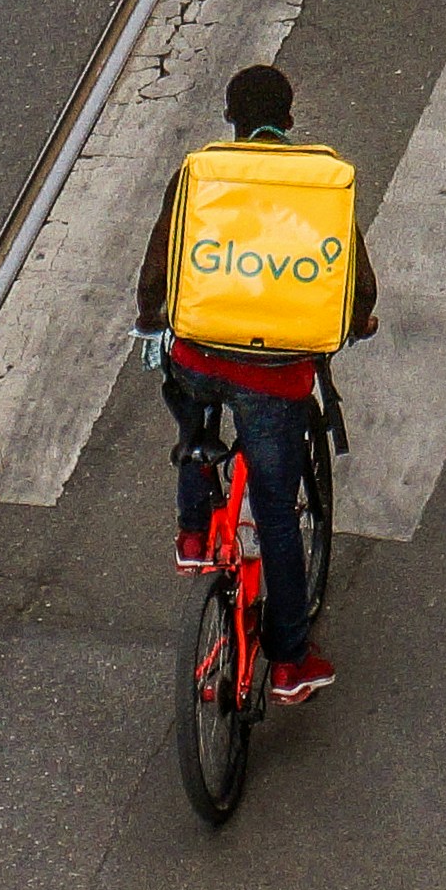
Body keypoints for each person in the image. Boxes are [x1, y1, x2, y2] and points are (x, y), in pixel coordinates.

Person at [136, 63, 377, 707]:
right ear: (290, 118)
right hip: (275, 379)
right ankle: (291, 660)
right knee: (275, 513)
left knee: (194, 423)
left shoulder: (199, 175)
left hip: (199, 357)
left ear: (230, 118)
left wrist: (150, 322)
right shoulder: (316, 187)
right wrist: (357, 318)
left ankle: (193, 535)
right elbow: (357, 283)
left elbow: (161, 264)